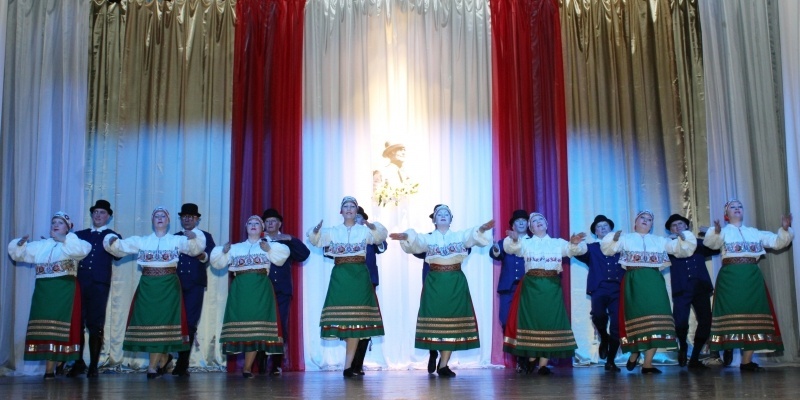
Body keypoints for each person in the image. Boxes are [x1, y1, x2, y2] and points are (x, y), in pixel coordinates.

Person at [390, 204, 494, 378]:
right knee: (436, 320)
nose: (443, 215)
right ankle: (434, 353)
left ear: (451, 219)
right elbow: (417, 242)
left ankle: (443, 364)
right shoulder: (429, 238)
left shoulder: (459, 236)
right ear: (434, 220)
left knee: (453, 322)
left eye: (447, 213)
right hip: (435, 282)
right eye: (439, 214)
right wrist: (406, 236)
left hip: (455, 282)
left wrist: (482, 228)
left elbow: (472, 236)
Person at [103, 206, 206, 379]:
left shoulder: (176, 240)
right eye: (156, 216)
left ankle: (153, 367)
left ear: (168, 221)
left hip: (168, 286)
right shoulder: (142, 241)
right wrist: (111, 239)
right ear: (152, 220)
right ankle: (163, 359)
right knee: (151, 322)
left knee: (164, 323)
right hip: (148, 286)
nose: (159, 218)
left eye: (163, 216)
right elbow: (119, 247)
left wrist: (194, 236)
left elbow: (196, 249)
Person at [601, 210, 696, 374]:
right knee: (637, 319)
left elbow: (682, 250)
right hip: (634, 281)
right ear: (635, 223)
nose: (646, 220)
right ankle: (635, 352)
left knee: (656, 321)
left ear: (652, 225)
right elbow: (608, 250)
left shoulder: (660, 241)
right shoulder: (626, 238)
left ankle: (648, 364)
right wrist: (613, 239)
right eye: (642, 218)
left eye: (649, 219)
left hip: (654, 282)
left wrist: (683, 237)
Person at [704, 199, 793, 372]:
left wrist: (784, 229)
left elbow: (777, 242)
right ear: (726, 214)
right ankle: (726, 347)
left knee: (753, 315)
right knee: (731, 314)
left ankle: (746, 361)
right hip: (730, 278)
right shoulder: (723, 232)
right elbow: (711, 244)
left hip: (752, 278)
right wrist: (716, 231)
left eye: (740, 207)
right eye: (733, 207)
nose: (737, 209)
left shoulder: (754, 232)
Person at [307, 196, 388, 377]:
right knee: (345, 320)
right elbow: (316, 240)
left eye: (352, 206)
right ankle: (349, 366)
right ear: (341, 211)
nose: (349, 209)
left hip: (360, 276)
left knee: (357, 321)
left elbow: (380, 236)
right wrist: (316, 230)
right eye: (346, 206)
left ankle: (348, 366)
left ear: (356, 210)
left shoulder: (364, 231)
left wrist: (370, 224)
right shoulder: (333, 231)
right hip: (341, 276)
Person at [8, 212, 92, 379]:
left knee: (59, 327)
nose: (55, 225)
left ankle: (52, 368)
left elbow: (80, 251)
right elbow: (19, 255)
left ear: (68, 227)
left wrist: (63, 238)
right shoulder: (42, 245)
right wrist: (20, 244)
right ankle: (52, 365)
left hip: (64, 289)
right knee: (45, 328)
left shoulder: (74, 242)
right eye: (54, 222)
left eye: (60, 223)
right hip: (44, 290)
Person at [502, 212, 586, 375]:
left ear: (546, 225)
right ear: (531, 228)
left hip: (551, 287)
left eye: (541, 219)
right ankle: (531, 358)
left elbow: (572, 250)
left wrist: (574, 243)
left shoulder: (557, 243)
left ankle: (542, 365)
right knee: (532, 322)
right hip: (531, 287)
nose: (538, 222)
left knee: (549, 322)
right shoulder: (526, 243)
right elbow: (512, 248)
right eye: (534, 221)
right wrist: (514, 239)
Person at [210, 215, 290, 378]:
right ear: (246, 228)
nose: (253, 225)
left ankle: (247, 368)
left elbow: (282, 257)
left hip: (260, 290)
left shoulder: (268, 245)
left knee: (256, 328)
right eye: (250, 223)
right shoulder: (236, 248)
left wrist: (269, 249)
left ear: (262, 229)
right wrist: (223, 251)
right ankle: (247, 367)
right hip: (240, 290)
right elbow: (217, 263)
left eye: (257, 223)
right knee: (244, 326)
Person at [69, 200, 121, 378]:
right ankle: (78, 362)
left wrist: (114, 243)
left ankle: (93, 365)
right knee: (77, 322)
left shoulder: (112, 235)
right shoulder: (80, 234)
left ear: (108, 216)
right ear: (92, 214)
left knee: (95, 324)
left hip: (99, 285)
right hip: (81, 283)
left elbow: (118, 255)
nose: (98, 215)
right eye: (96, 212)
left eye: (102, 212)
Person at [256, 207, 310, 376]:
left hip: (282, 290)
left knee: (280, 326)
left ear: (279, 224)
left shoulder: (286, 241)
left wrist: (291, 239)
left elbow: (304, 254)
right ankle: (261, 362)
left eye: (273, 221)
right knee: (261, 325)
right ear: (263, 225)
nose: (270, 224)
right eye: (267, 221)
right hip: (261, 290)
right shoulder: (257, 240)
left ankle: (276, 364)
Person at [664, 214, 719, 369]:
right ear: (671, 230)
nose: (678, 227)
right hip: (681, 289)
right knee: (680, 322)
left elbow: (716, 248)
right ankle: (683, 345)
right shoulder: (668, 247)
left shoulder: (699, 244)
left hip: (700, 287)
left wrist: (712, 232)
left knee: (705, 321)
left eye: (680, 224)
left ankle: (695, 356)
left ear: (686, 226)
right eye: (674, 226)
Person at [574, 215, 625, 372]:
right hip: (599, 288)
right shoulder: (591, 248)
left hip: (618, 289)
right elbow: (578, 253)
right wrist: (575, 243)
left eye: (605, 226)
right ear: (595, 232)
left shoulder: (621, 246)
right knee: (598, 316)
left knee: (616, 324)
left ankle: (610, 361)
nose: (602, 229)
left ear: (611, 229)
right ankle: (604, 337)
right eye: (599, 227)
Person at [171, 203, 216, 377]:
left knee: (190, 322)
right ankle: (167, 358)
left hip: (195, 283)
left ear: (197, 219)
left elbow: (212, 256)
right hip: (175, 283)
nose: (187, 219)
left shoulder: (205, 236)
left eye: (190, 217)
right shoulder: (174, 237)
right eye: (184, 217)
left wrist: (201, 254)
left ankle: (183, 362)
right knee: (174, 322)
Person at [489, 209, 528, 371]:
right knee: (505, 320)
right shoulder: (505, 242)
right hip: (508, 287)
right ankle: (517, 355)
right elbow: (495, 253)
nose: (521, 223)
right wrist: (495, 249)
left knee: (524, 322)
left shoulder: (533, 241)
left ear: (528, 224)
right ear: (513, 226)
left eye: (524, 220)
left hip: (527, 288)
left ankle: (525, 358)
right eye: (517, 221)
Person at [350, 206, 387, 375]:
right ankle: (349, 363)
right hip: (349, 283)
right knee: (350, 322)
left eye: (359, 217)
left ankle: (358, 364)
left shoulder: (371, 235)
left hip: (368, 282)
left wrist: (372, 228)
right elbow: (328, 251)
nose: (356, 220)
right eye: (354, 217)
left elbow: (382, 247)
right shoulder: (345, 235)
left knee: (366, 322)